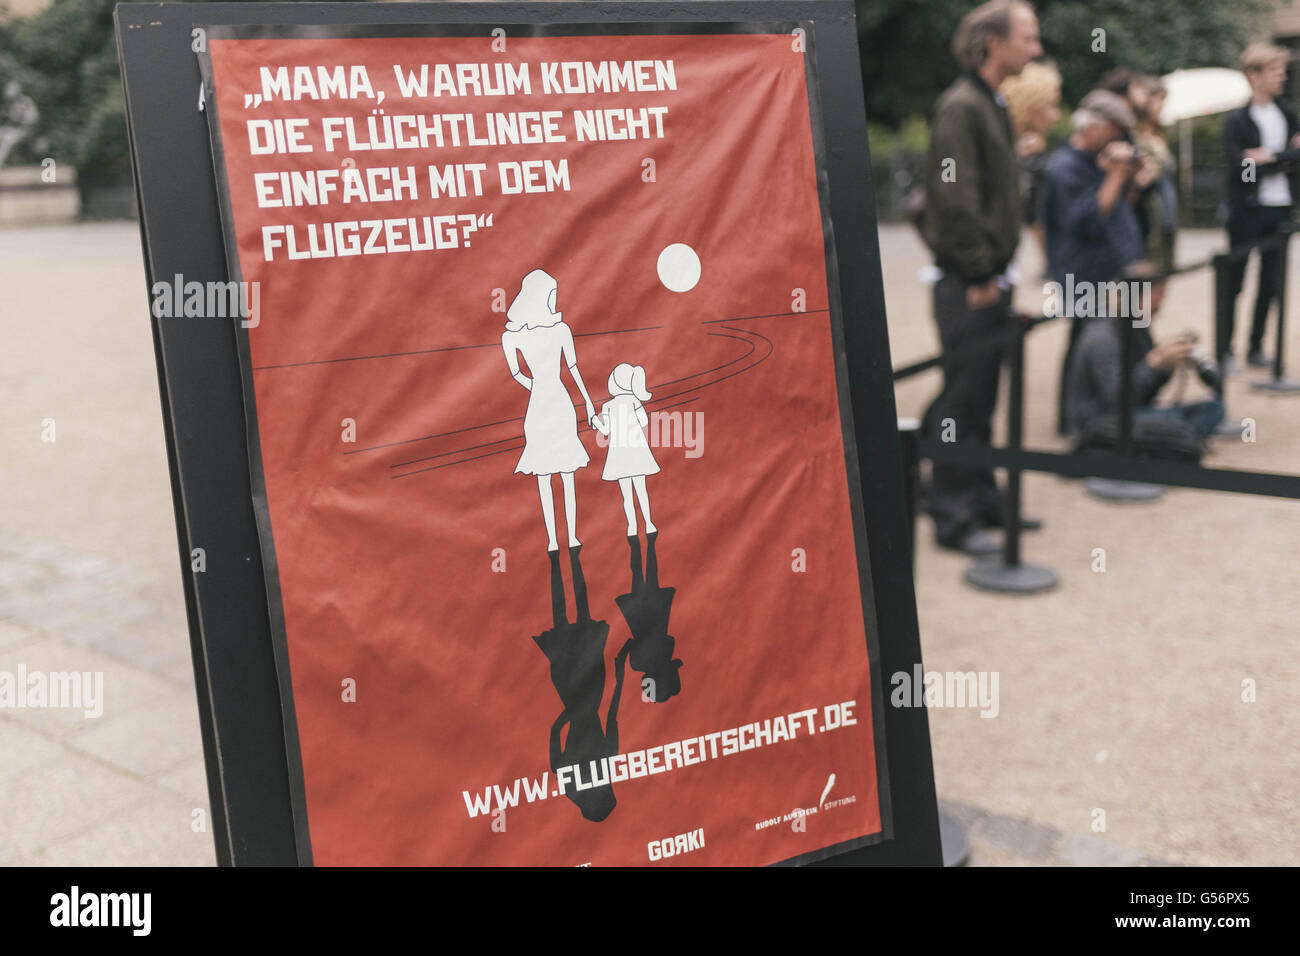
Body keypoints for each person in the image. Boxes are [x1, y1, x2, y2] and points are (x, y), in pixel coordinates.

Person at [918, 0, 1043, 555]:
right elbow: (954, 201)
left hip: (990, 277)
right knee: (963, 402)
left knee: (980, 398)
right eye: (1028, 38)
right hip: (973, 281)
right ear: (995, 42)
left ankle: (981, 498)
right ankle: (952, 515)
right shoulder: (961, 106)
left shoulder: (987, 102)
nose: (1035, 50)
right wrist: (981, 271)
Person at [1041, 90, 1144, 435]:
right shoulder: (1065, 167)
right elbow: (1088, 221)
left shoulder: (1088, 161)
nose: (1119, 139)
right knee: (1088, 344)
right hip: (1085, 271)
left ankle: (1077, 419)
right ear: (1096, 127)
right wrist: (1115, 174)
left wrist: (1124, 172)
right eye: (1116, 130)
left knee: (1091, 341)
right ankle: (1078, 422)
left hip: (1105, 269)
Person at [501, 268, 597, 552]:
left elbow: (570, 369)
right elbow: (571, 371)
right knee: (551, 475)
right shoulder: (517, 335)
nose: (555, 300)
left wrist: (588, 404)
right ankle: (556, 539)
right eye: (552, 294)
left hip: (551, 403)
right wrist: (541, 387)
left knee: (562, 473)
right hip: (548, 402)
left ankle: (567, 538)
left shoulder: (557, 330)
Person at [1222, 43, 1300, 368]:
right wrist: (1283, 158)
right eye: (1273, 70)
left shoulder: (1288, 113)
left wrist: (1270, 156)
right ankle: (1224, 348)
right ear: (1254, 76)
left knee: (1271, 285)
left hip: (1281, 208)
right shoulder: (1237, 121)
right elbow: (1239, 168)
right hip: (1246, 212)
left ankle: (1255, 347)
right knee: (1234, 283)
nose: (1281, 75)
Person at [1066, 283, 1225, 440]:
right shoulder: (1103, 337)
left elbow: (1144, 395)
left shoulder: (1136, 327)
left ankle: (1175, 441)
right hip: (1101, 423)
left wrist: (1165, 366)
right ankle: (1175, 443)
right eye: (1155, 301)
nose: (1158, 309)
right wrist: (1153, 365)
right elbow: (1115, 399)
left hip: (1128, 415)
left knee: (1212, 409)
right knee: (1183, 421)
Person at [1000, 59, 1062, 257]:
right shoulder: (1027, 152)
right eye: (1051, 106)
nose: (1056, 115)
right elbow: (1036, 215)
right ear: (1030, 107)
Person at [590, 363, 660, 536]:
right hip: (637, 450)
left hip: (620, 454)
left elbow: (606, 431)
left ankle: (632, 527)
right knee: (641, 490)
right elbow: (644, 422)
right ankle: (649, 524)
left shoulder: (608, 406)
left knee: (627, 495)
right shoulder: (635, 401)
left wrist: (595, 420)